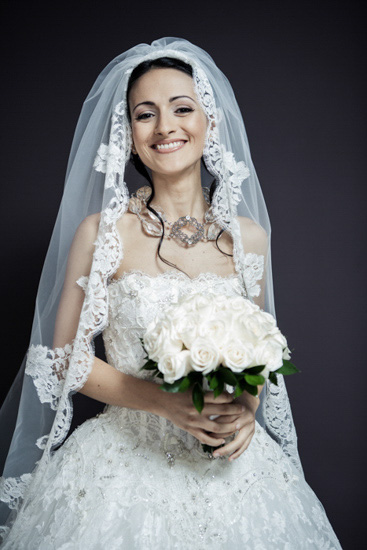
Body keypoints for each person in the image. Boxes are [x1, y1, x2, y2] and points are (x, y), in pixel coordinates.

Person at [0, 37, 342, 549]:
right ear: (127, 134)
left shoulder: (249, 239)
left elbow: (258, 352)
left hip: (234, 468)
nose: (165, 127)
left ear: (211, 121)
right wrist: (164, 402)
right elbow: (59, 360)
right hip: (122, 469)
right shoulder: (103, 233)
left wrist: (245, 412)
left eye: (182, 108)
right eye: (145, 114)